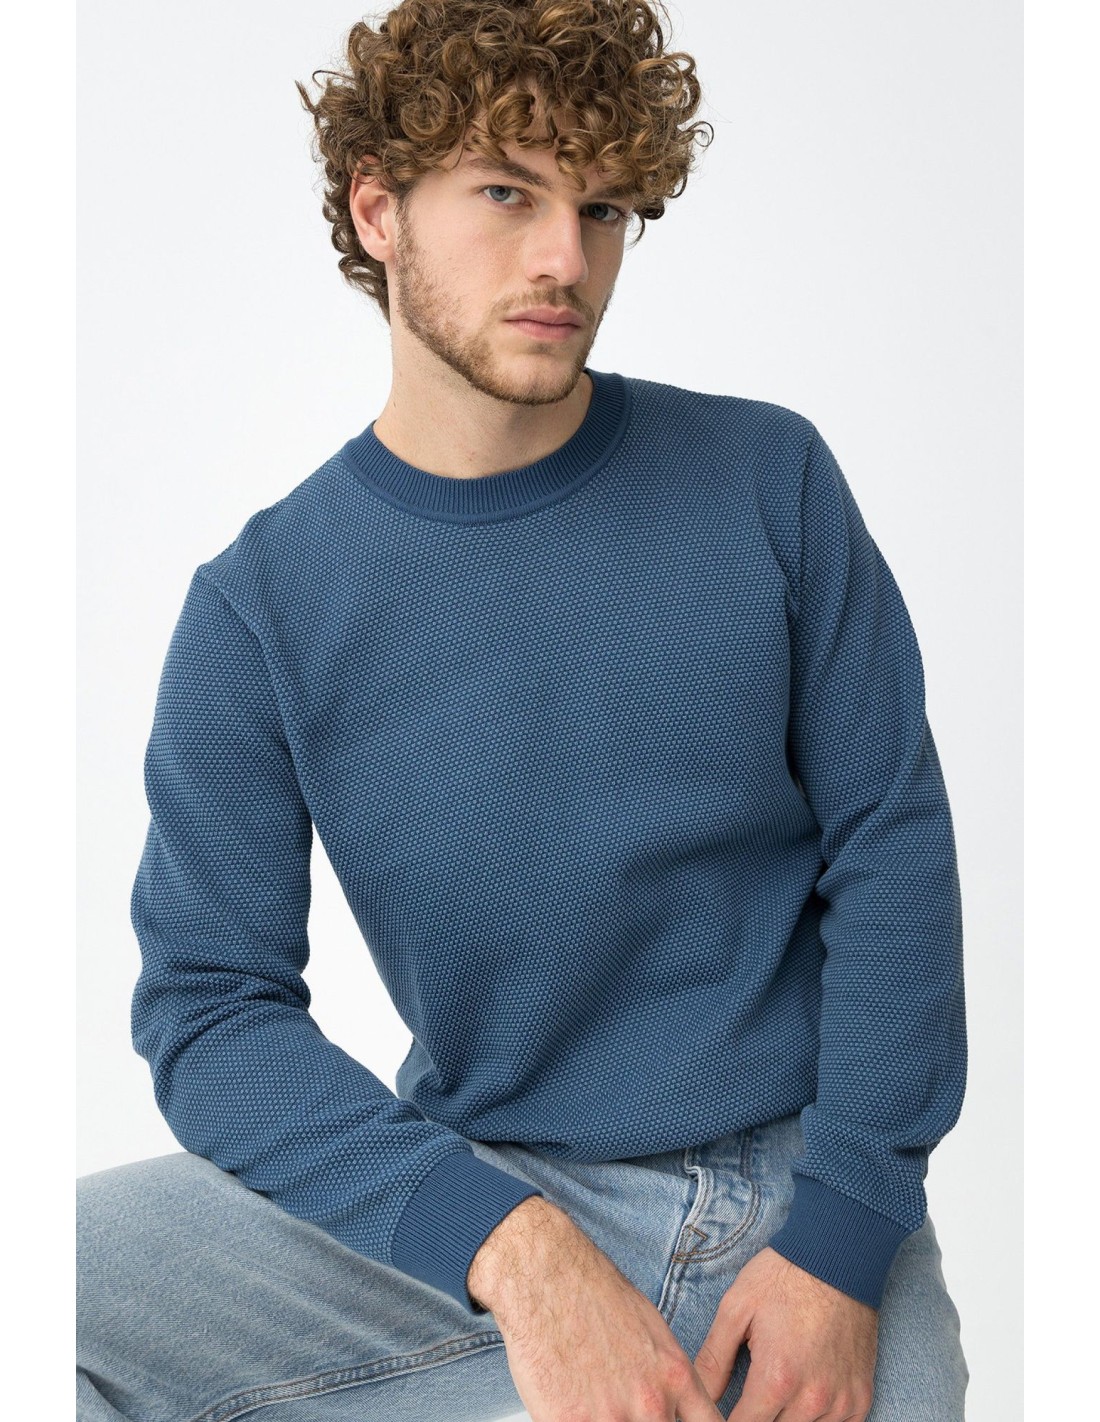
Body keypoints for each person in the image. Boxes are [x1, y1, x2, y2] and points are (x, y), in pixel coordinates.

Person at [76, 1, 970, 1419]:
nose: (566, 258)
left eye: (603, 208)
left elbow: (894, 847)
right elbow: (208, 1008)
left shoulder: (767, 481)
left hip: (795, 1204)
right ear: (379, 209)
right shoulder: (262, 609)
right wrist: (514, 1249)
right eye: (507, 192)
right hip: (480, 1205)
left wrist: (843, 1242)